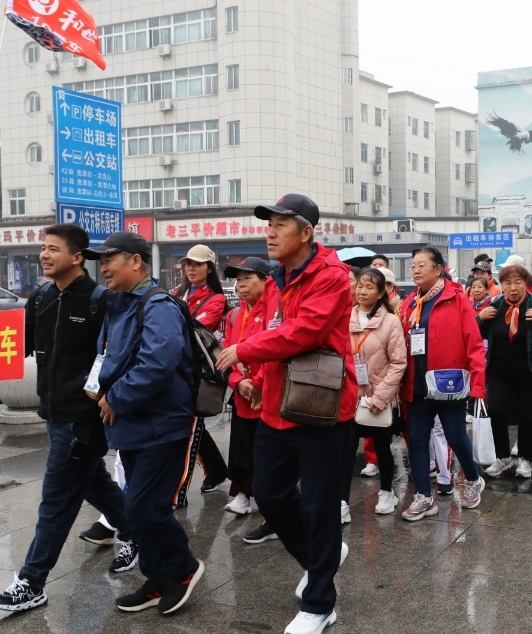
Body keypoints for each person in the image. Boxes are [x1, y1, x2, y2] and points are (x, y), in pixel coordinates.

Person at [0, 225, 134, 612]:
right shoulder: (40, 298)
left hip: (84, 418)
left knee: (55, 501)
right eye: (42, 248)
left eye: (53, 249)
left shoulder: (100, 300)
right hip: (53, 414)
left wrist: (112, 398)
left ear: (76, 257)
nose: (44, 254)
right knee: (93, 483)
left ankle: (32, 581)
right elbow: (16, 343)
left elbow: (121, 354)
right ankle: (135, 532)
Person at [215, 194, 356, 634]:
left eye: (280, 224)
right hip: (277, 404)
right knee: (271, 494)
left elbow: (304, 331)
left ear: (307, 232)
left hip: (321, 409)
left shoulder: (332, 275)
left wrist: (243, 350)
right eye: (268, 224)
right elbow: (273, 330)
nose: (270, 232)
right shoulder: (276, 279)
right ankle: (321, 560)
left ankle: (319, 603)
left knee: (318, 506)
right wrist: (254, 375)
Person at [85, 231, 204, 615]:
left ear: (136, 261)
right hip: (132, 427)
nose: (103, 267)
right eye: (100, 260)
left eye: (110, 259)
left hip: (162, 426)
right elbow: (107, 356)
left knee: (142, 509)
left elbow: (158, 362)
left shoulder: (158, 306)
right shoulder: (117, 305)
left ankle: (183, 569)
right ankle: (157, 579)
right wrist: (95, 386)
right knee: (141, 508)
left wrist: (116, 398)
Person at [399, 247, 486, 521]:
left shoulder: (456, 299)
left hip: (448, 383)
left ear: (439, 269)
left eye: (422, 265)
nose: (415, 270)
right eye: (413, 265)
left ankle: (472, 478)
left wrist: (478, 387)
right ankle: (424, 496)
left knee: (455, 436)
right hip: (416, 382)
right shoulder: (410, 302)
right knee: (417, 440)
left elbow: (474, 343)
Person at [478, 265, 532, 478]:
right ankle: (503, 457)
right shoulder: (495, 306)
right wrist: (479, 319)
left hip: (530, 371)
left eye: (518, 283)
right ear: (501, 286)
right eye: (507, 283)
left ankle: (525, 459)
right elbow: (476, 333)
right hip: (499, 371)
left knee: (527, 417)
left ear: (526, 284)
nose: (513, 288)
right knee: (496, 411)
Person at [341, 268, 407, 516]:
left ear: (381, 292)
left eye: (370, 287)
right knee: (346, 450)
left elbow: (398, 363)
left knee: (381, 447)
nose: (362, 291)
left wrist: (380, 397)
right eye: (360, 286)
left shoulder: (391, 322)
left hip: (379, 397)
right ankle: (342, 501)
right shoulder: (347, 317)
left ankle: (387, 492)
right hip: (350, 397)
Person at [172, 244, 228, 495]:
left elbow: (197, 330)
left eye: (197, 264)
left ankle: (177, 491)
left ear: (209, 268)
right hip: (175, 366)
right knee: (192, 424)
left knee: (191, 423)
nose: (190, 269)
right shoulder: (176, 292)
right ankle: (217, 471)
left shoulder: (217, 298)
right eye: (188, 264)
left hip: (197, 371)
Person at [221, 257, 273, 525]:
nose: (240, 285)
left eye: (247, 279)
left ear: (266, 281)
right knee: (241, 449)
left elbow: (276, 351)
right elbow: (227, 352)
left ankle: (269, 505)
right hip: (243, 394)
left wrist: (259, 384)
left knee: (265, 452)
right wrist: (237, 382)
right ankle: (243, 494)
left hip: (267, 394)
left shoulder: (275, 311)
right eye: (238, 280)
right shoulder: (235, 313)